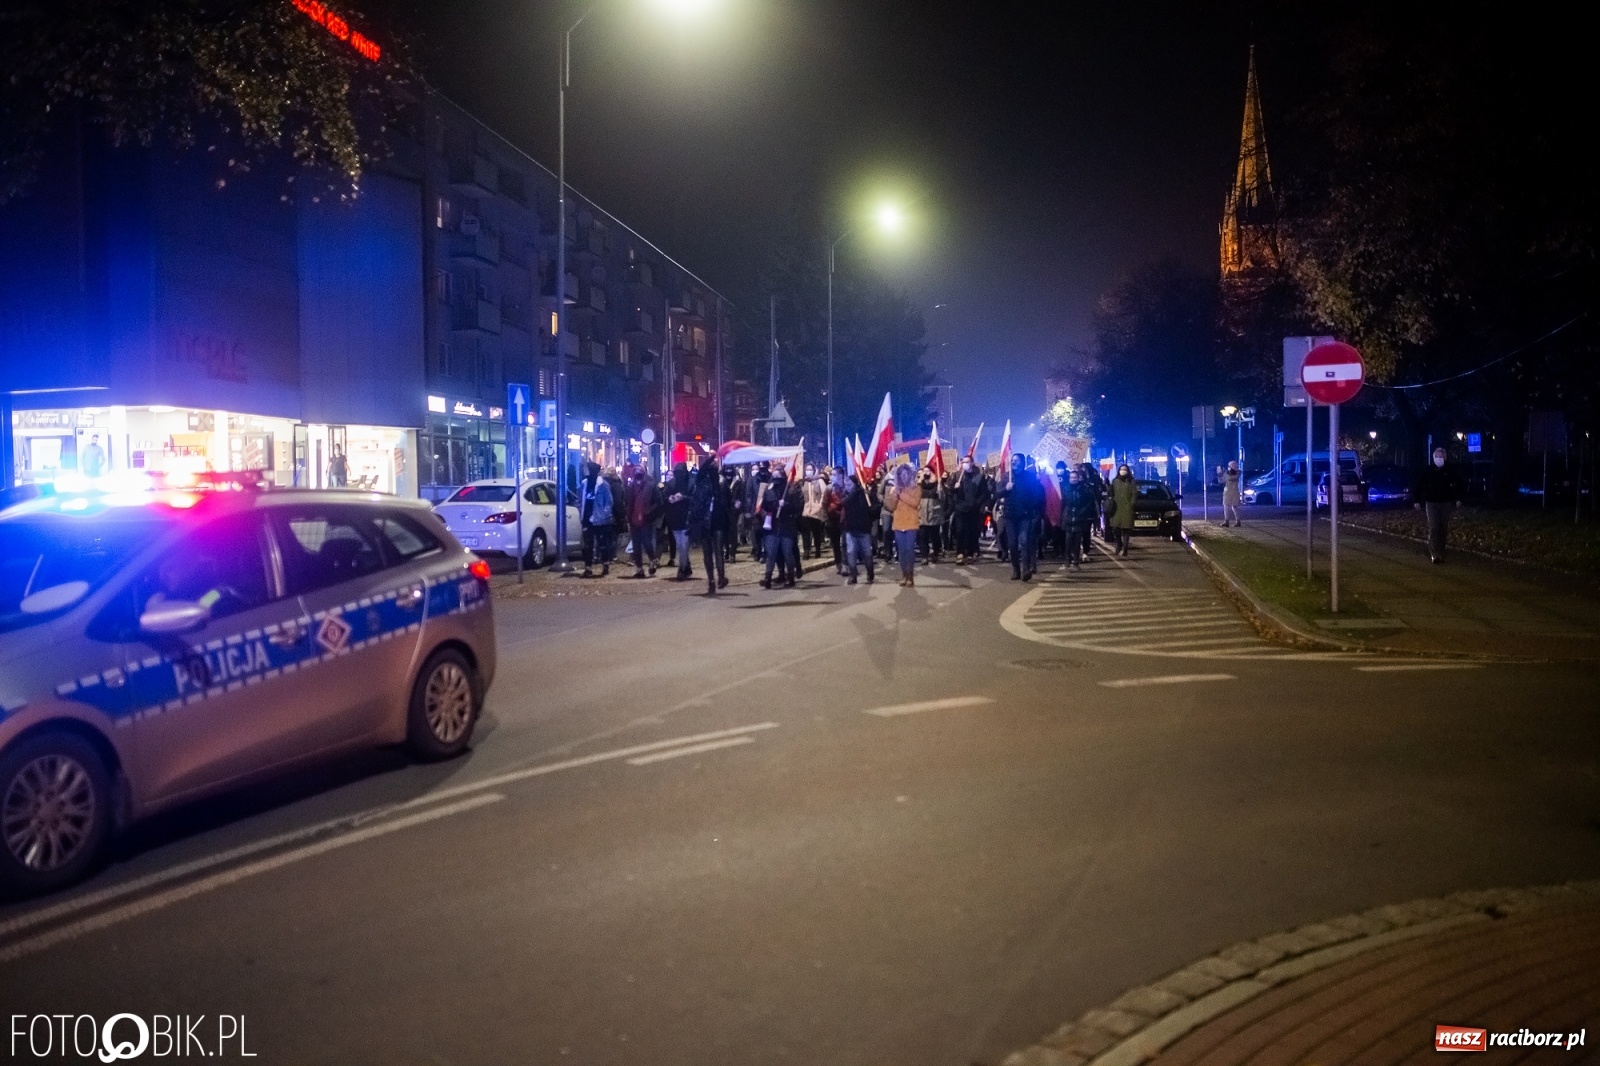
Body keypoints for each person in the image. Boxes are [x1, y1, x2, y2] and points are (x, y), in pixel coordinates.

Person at [1412, 446, 1465, 563]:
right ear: (1433, 457)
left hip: (1446, 503)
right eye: (1437, 456)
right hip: (1431, 503)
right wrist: (1416, 500)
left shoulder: (1450, 470)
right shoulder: (1428, 470)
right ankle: (1434, 553)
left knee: (1443, 528)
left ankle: (1441, 551)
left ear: (1445, 457)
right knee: (1434, 527)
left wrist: (1458, 499)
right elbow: (1419, 485)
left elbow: (1458, 485)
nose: (1439, 458)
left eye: (1441, 456)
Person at [1001, 454, 1044, 580]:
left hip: (1025, 516)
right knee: (1013, 544)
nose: (1013, 462)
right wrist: (1005, 488)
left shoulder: (1030, 477)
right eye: (1012, 460)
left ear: (1022, 463)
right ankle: (1016, 569)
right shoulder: (1006, 477)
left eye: (1016, 460)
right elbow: (997, 493)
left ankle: (1026, 569)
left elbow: (1038, 494)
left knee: (1024, 542)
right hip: (1010, 516)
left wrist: (1033, 510)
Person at [692, 457, 731, 593]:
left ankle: (712, 581)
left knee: (708, 553)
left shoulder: (701, 482)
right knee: (718, 551)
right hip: (717, 520)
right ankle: (720, 578)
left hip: (705, 521)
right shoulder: (721, 482)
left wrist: (710, 458)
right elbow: (728, 502)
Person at [884, 463, 923, 587]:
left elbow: (915, 503)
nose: (904, 476)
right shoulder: (895, 489)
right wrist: (894, 495)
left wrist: (901, 494)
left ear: (910, 475)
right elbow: (890, 507)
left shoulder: (916, 488)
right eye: (901, 474)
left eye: (906, 474)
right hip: (898, 522)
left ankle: (910, 576)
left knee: (909, 550)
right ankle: (904, 575)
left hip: (911, 523)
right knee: (901, 551)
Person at [624, 466, 662, 578]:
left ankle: (652, 560)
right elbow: (627, 502)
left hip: (646, 518)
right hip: (634, 518)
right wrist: (628, 515)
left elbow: (658, 501)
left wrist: (650, 512)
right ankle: (639, 568)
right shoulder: (631, 486)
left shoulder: (651, 485)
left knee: (647, 542)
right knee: (636, 545)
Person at [841, 473, 878, 585]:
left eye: (849, 483)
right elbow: (845, 502)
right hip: (850, 529)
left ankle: (870, 573)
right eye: (845, 483)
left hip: (863, 529)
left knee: (867, 553)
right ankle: (853, 575)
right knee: (851, 552)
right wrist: (856, 491)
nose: (846, 485)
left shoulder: (864, 494)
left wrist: (870, 500)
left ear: (854, 484)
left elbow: (875, 507)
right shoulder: (846, 495)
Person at [579, 461, 614, 577]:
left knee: (602, 544)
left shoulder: (603, 485)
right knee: (587, 545)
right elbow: (581, 500)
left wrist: (603, 516)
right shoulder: (584, 484)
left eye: (587, 469)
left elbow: (608, 502)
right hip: (586, 518)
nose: (585, 471)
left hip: (599, 520)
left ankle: (605, 565)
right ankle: (588, 567)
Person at [664, 462, 694, 580]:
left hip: (687, 517)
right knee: (680, 544)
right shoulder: (671, 483)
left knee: (684, 544)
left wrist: (683, 497)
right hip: (675, 517)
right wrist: (670, 499)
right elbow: (664, 497)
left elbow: (696, 498)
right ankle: (685, 566)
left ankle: (682, 568)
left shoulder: (692, 482)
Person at [1063, 466, 1096, 569]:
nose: (1073, 479)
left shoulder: (1084, 489)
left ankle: (1076, 561)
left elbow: (1089, 503)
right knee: (1068, 542)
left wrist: (1083, 513)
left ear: (1078, 478)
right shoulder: (1065, 489)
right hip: (1068, 519)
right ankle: (1067, 559)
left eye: (1075, 477)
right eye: (1071, 477)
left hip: (1079, 519)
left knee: (1077, 542)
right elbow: (1063, 503)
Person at [1107, 463, 1137, 556]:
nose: (1123, 471)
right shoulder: (1115, 481)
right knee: (1116, 528)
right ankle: (1119, 543)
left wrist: (1132, 504)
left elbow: (1134, 494)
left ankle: (1125, 548)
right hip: (1116, 508)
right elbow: (1111, 493)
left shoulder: (1131, 481)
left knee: (1126, 529)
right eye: (1121, 469)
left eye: (1125, 469)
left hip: (1127, 508)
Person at [917, 467, 946, 563]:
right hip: (922, 514)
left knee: (935, 536)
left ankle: (935, 553)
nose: (926, 473)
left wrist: (940, 490)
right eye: (924, 471)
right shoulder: (919, 485)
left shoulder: (937, 484)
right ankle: (924, 555)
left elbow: (943, 499)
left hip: (934, 514)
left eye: (928, 471)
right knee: (923, 536)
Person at [800, 465, 828, 559]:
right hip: (806, 510)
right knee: (805, 532)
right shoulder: (804, 482)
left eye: (810, 469)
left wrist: (821, 505)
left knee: (816, 532)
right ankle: (806, 551)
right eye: (807, 469)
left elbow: (824, 493)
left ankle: (817, 550)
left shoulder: (819, 481)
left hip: (817, 510)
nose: (808, 471)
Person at [825, 466, 849, 575]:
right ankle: (838, 563)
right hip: (832, 519)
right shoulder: (829, 488)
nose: (832, 477)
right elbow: (824, 504)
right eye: (831, 475)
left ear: (841, 475)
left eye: (834, 474)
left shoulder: (847, 488)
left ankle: (845, 564)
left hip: (844, 519)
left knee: (844, 542)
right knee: (835, 543)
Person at [1221, 460, 1243, 527]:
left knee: (1234, 506)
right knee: (1226, 506)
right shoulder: (1227, 472)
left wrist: (1226, 473)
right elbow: (1222, 481)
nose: (1230, 467)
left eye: (1231, 466)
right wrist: (1220, 474)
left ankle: (1238, 521)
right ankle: (1226, 521)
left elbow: (1231, 478)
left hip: (1234, 491)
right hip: (1227, 491)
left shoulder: (1238, 472)